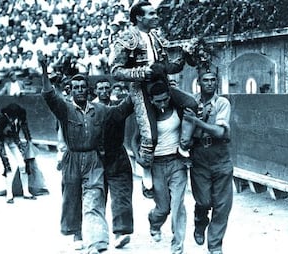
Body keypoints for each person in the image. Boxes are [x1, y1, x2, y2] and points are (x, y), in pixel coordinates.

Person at [40, 58, 133, 254]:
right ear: (71, 90)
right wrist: (44, 69)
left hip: (93, 160)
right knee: (72, 197)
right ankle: (77, 234)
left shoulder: (99, 110)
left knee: (94, 197)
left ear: (88, 90)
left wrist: (136, 90)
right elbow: (49, 95)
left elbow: (119, 112)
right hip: (72, 159)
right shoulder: (64, 108)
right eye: (76, 87)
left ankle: (97, 240)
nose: (80, 90)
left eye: (83, 87)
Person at [110, 1, 198, 193]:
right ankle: (146, 169)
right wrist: (143, 72)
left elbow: (168, 67)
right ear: (139, 17)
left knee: (191, 104)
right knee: (149, 136)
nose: (156, 16)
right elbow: (116, 71)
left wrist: (183, 56)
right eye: (151, 14)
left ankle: (183, 146)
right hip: (141, 89)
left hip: (163, 85)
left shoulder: (156, 37)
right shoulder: (126, 38)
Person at [131, 75, 189, 254]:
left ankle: (177, 247)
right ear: (152, 100)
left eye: (165, 99)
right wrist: (137, 157)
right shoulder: (147, 115)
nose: (163, 104)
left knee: (178, 205)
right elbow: (134, 140)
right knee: (163, 208)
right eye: (158, 101)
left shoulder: (178, 108)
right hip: (156, 164)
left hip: (176, 161)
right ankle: (154, 222)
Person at [183, 69, 233, 254]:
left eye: (213, 80)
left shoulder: (222, 103)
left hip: (220, 155)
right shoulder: (191, 103)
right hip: (199, 157)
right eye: (206, 80)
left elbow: (220, 132)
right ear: (199, 83)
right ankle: (200, 220)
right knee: (203, 201)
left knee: (222, 206)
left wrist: (197, 122)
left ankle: (215, 246)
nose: (210, 83)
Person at [94, 79, 134, 249]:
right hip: (95, 156)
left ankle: (120, 232)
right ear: (95, 91)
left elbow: (132, 101)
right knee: (96, 197)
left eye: (106, 88)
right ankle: (97, 234)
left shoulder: (118, 107)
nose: (104, 90)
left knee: (121, 194)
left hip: (117, 154)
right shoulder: (89, 108)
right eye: (100, 88)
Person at [0, 103, 37, 203]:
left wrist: (29, 140)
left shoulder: (20, 117)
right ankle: (9, 195)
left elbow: (25, 128)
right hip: (2, 143)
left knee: (23, 165)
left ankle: (26, 192)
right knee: (9, 166)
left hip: (13, 141)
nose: (11, 119)